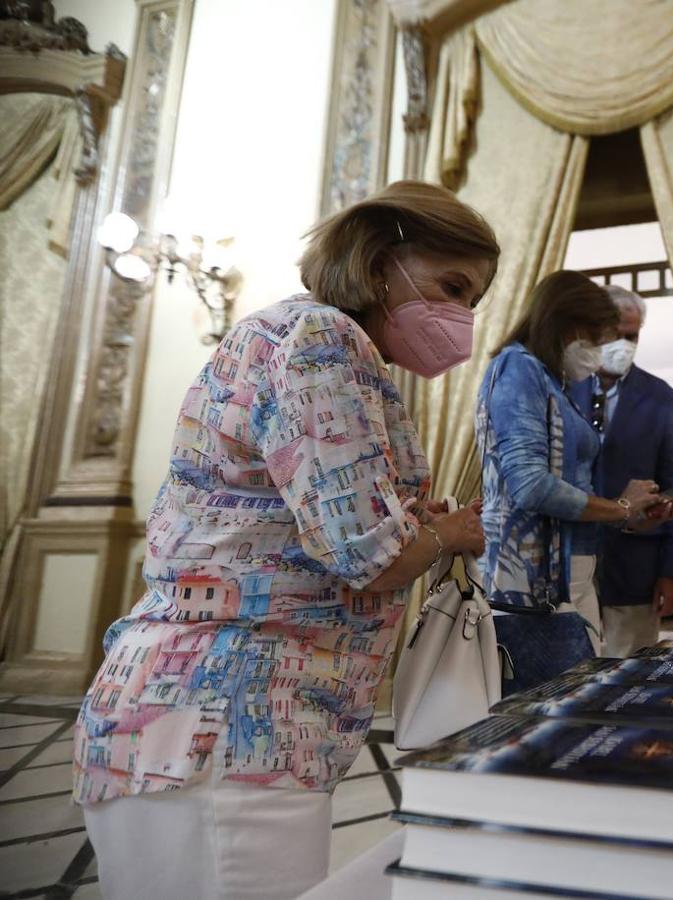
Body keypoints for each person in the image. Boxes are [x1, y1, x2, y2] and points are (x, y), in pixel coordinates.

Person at [72, 181, 499, 899]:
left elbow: (321, 531)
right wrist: (449, 534)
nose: (459, 317)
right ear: (376, 264)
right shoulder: (323, 340)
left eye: (472, 302)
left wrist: (419, 527)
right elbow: (374, 556)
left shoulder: (302, 339)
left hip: (215, 720)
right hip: (224, 720)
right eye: (450, 287)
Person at [477, 271, 673, 689]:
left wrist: (631, 514)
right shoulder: (519, 368)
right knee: (549, 708)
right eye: (595, 337)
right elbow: (530, 484)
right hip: (532, 575)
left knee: (581, 698)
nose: (600, 350)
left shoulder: (549, 378)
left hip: (571, 565)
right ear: (567, 325)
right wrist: (621, 508)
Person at [566, 285, 673, 657]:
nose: (624, 344)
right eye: (615, 334)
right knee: (567, 682)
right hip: (568, 565)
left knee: (628, 680)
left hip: (636, 569)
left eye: (632, 336)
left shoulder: (660, 397)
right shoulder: (561, 388)